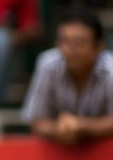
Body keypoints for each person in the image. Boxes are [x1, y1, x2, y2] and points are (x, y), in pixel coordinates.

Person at [23, 10, 113, 143]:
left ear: (99, 47)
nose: (70, 49)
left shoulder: (110, 69)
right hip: (57, 154)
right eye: (64, 41)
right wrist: (58, 129)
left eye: (79, 43)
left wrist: (81, 125)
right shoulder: (48, 64)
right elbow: (36, 120)